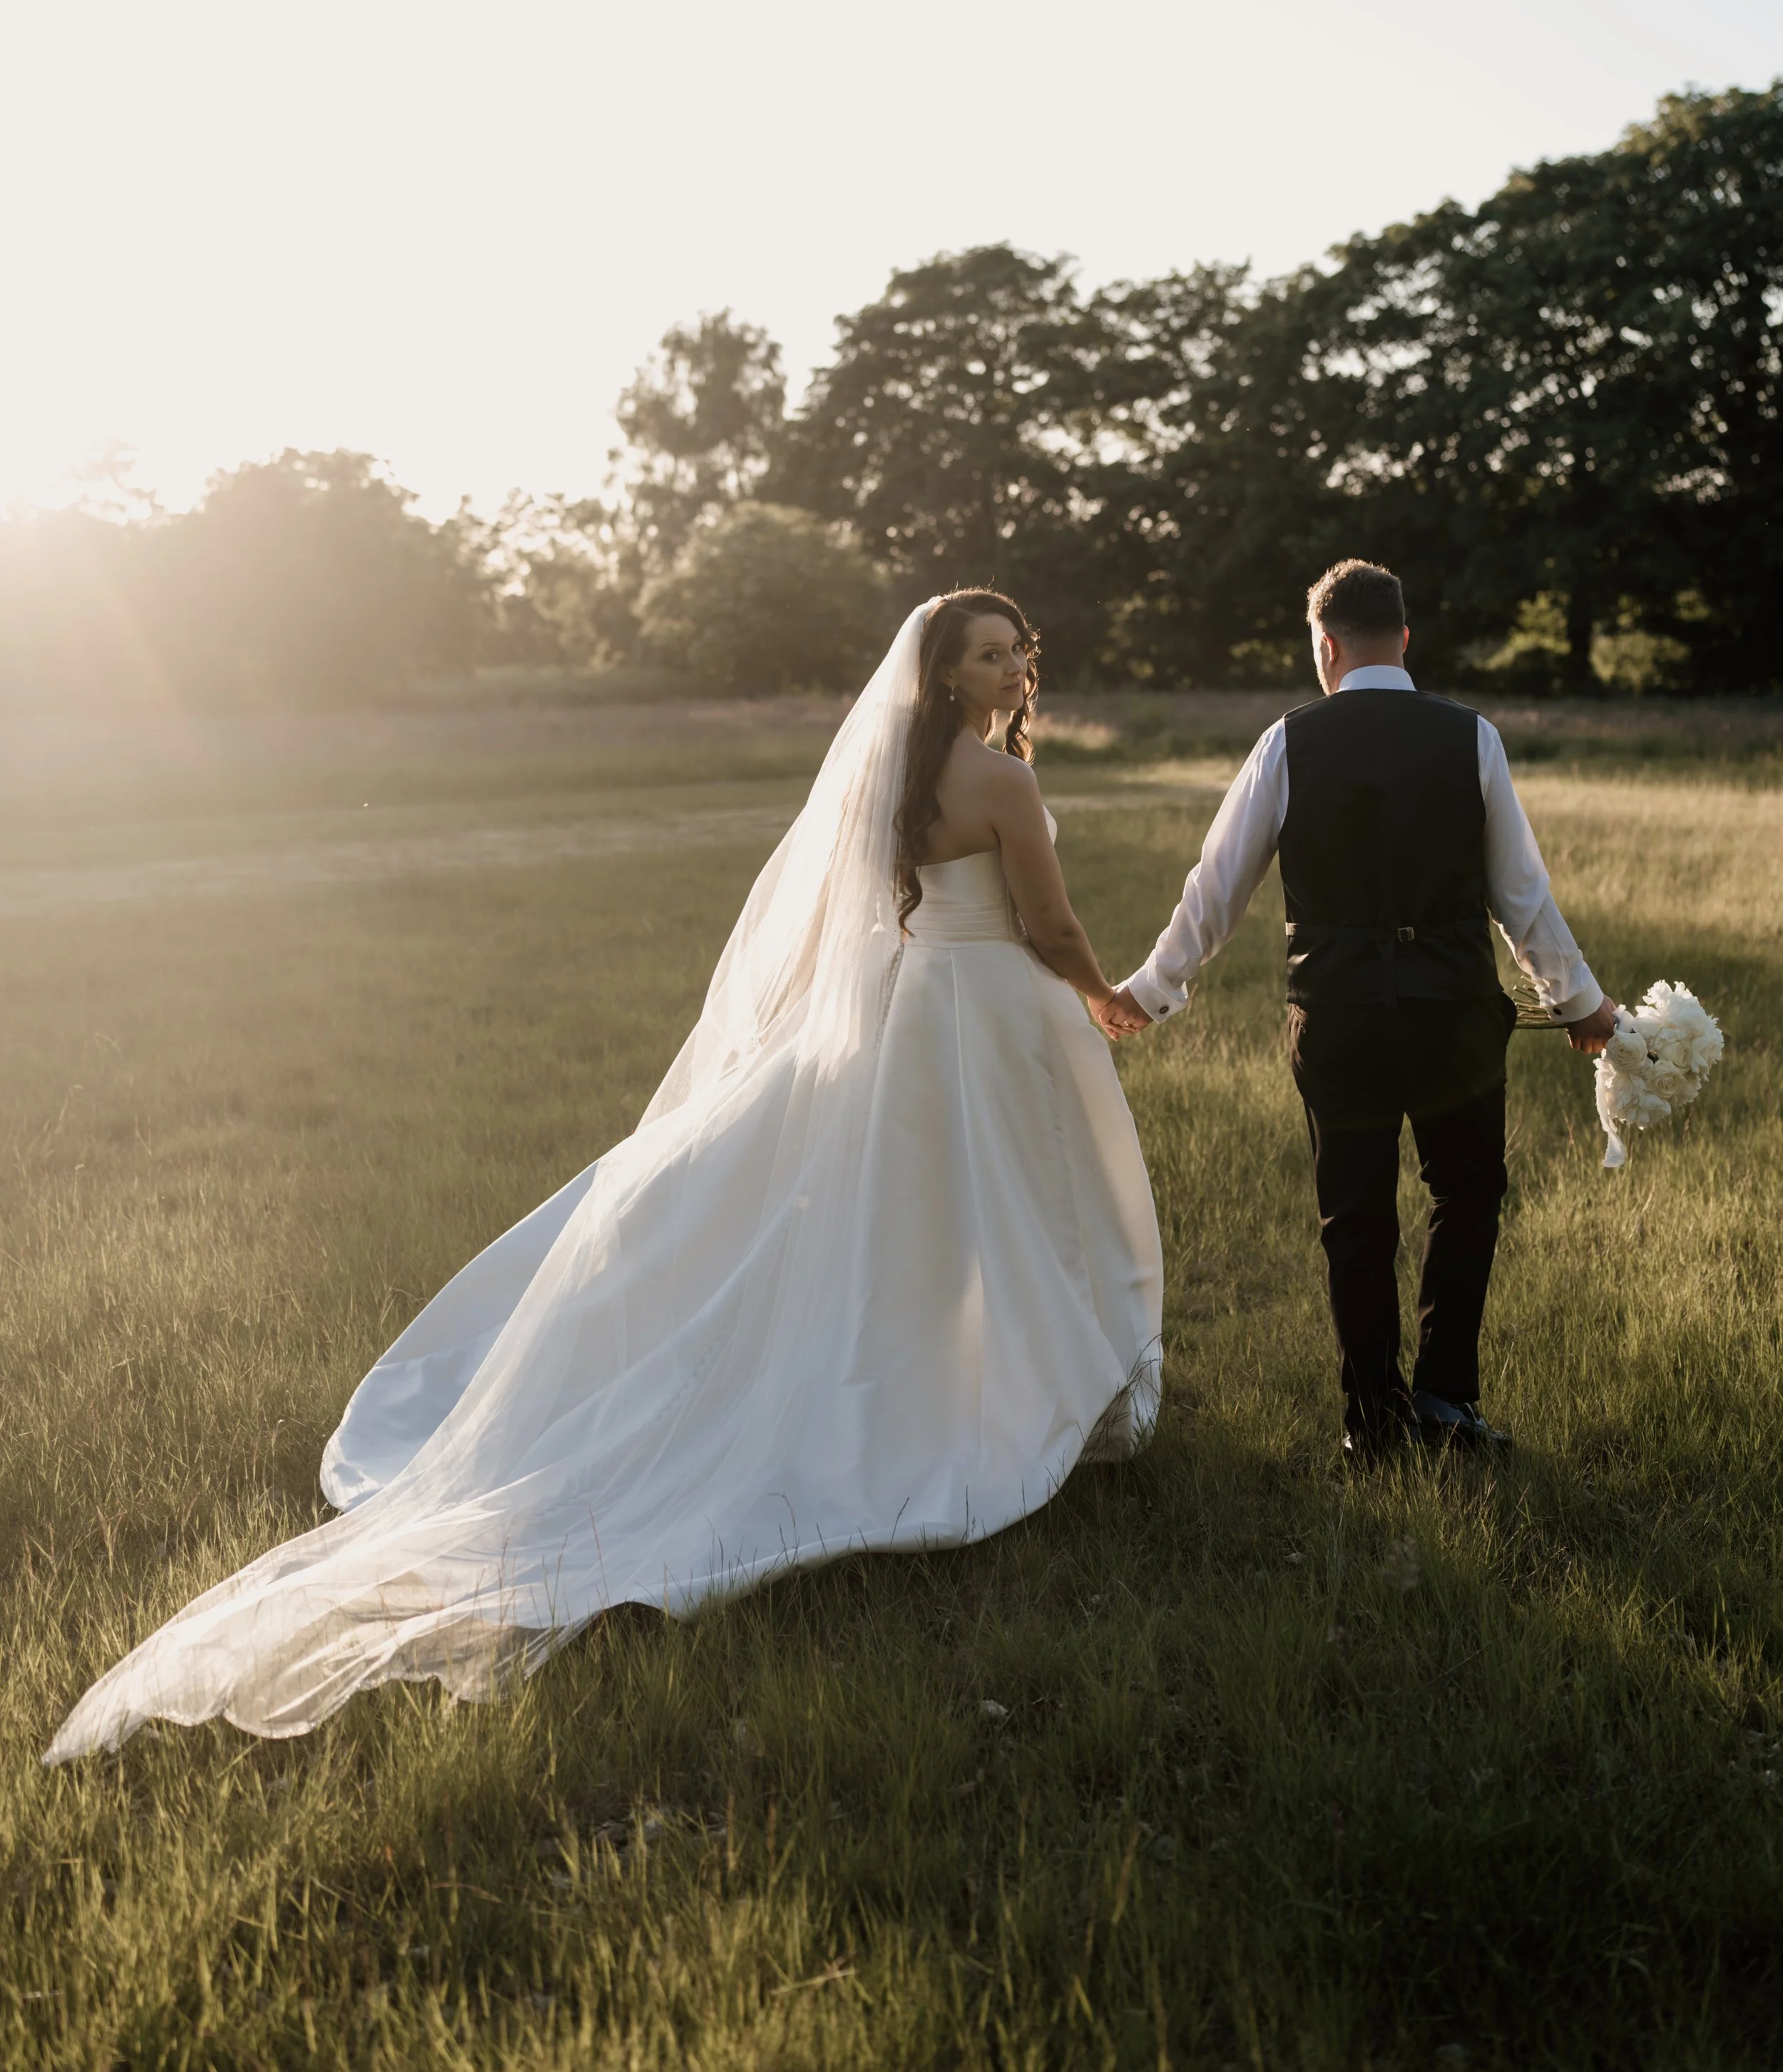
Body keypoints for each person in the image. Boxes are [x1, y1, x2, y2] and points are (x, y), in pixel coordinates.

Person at [46, 593, 1161, 1760]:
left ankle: (934, 1389)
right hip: (978, 1011)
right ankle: (986, 1403)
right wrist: (1105, 995)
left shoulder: (886, 773)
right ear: (941, 676)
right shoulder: (1006, 786)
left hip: (898, 1014)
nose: (1007, 671)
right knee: (994, 1212)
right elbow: (1048, 922)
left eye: (1013, 653)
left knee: (912, 1219)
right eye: (986, 656)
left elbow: (846, 921)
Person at [1095, 559, 1616, 1465]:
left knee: (1356, 1215)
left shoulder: (1288, 741)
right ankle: (1447, 1404)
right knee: (1465, 1197)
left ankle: (1370, 1422)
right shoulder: (1471, 737)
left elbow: (1215, 890)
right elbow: (1521, 896)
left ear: (1323, 646)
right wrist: (1580, 1006)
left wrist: (1148, 991)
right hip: (1454, 1013)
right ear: (1405, 638)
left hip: (1337, 1018)